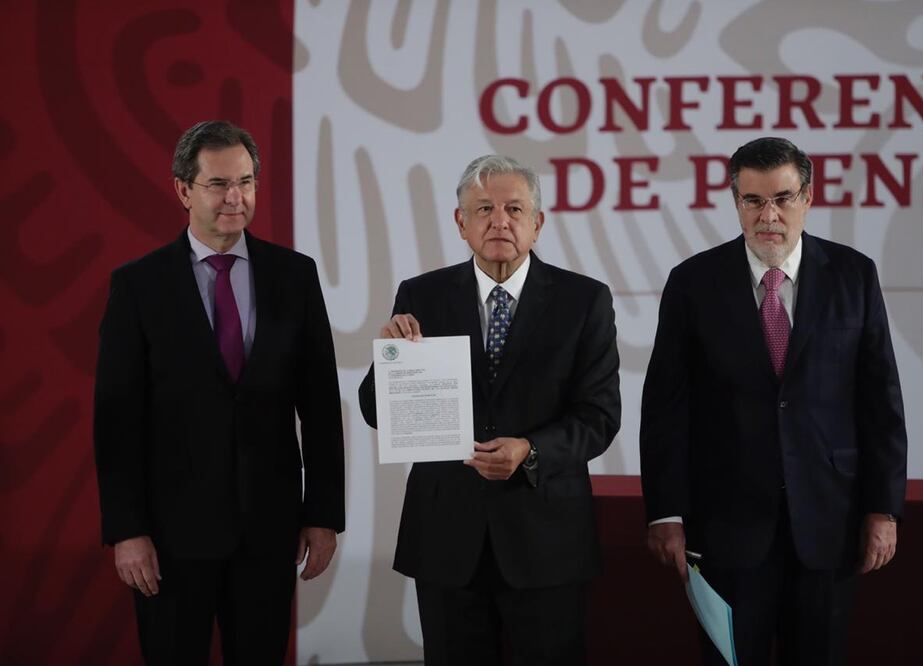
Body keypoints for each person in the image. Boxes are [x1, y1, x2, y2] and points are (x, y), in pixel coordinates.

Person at [640, 137, 907, 665]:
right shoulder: (692, 282)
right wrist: (664, 511)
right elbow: (666, 407)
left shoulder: (854, 275)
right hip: (725, 523)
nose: (769, 215)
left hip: (830, 521)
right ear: (734, 200)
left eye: (782, 199)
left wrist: (884, 508)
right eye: (753, 201)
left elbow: (881, 401)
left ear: (807, 197)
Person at [93, 120, 345, 665]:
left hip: (268, 529)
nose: (236, 197)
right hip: (168, 537)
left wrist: (323, 514)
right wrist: (127, 530)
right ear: (184, 189)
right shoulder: (138, 285)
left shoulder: (295, 277)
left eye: (247, 182)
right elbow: (116, 420)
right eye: (219, 183)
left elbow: (321, 405)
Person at [359, 155, 621, 665]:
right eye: (483, 209)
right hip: (446, 540)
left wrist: (531, 450)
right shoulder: (422, 295)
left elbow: (600, 416)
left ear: (537, 223)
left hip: (546, 541)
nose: (499, 221)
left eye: (514, 209)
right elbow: (377, 411)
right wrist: (388, 360)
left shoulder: (584, 300)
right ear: (461, 222)